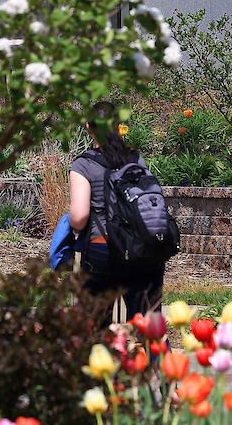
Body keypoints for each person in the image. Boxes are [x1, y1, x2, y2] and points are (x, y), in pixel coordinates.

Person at [68, 100, 165, 324]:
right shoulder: (135, 158)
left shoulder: (83, 164)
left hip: (103, 249)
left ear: (89, 127)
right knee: (150, 325)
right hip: (142, 250)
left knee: (95, 326)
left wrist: (69, 225)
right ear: (118, 125)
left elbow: (80, 217)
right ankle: (159, 359)